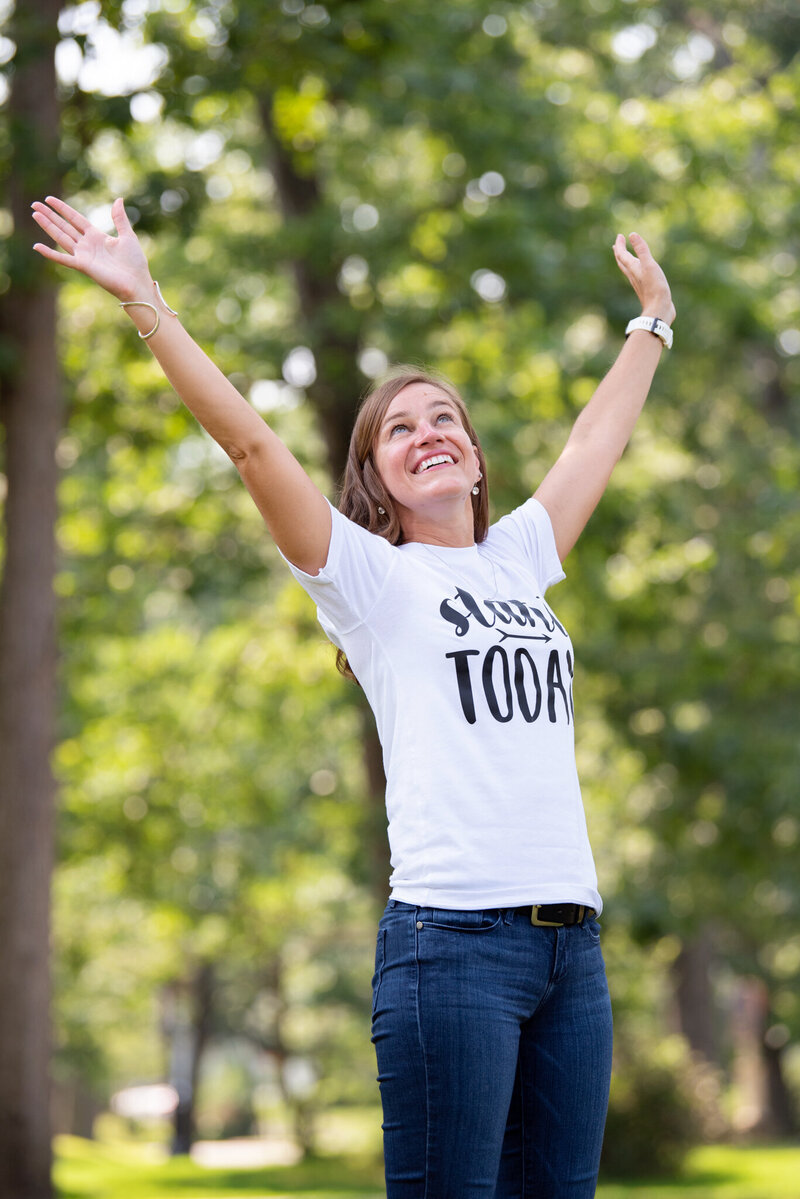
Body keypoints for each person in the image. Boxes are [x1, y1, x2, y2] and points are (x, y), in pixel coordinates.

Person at [33, 195, 675, 1197]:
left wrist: (650, 323)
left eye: (444, 418)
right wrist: (147, 305)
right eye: (398, 429)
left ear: (472, 455)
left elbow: (593, 444)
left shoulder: (517, 559)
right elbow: (250, 445)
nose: (428, 433)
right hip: (450, 948)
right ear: (372, 476)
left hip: (570, 953)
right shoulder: (368, 579)